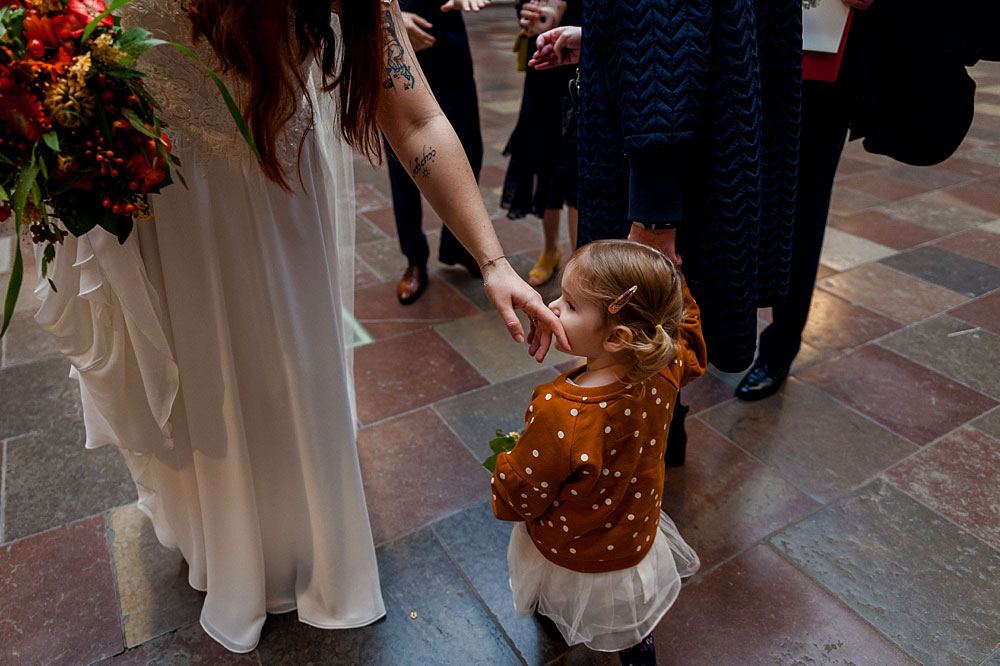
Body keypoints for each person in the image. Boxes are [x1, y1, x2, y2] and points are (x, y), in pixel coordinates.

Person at [33, 0, 565, 653]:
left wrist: (492, 260)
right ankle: (213, 533)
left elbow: (415, 115)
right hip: (159, 193)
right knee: (190, 374)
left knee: (280, 379)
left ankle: (291, 547)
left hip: (271, 184)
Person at [491, 239, 706, 665]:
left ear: (617, 337)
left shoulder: (560, 412)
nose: (552, 308)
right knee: (628, 615)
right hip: (632, 534)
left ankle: (554, 616)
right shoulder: (666, 365)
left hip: (573, 546)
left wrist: (506, 465)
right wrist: (671, 276)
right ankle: (637, 649)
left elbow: (523, 494)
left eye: (569, 305)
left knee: (558, 592)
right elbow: (690, 331)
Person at [388, 0, 489, 304]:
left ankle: (456, 244)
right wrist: (391, 18)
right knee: (403, 160)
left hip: (448, 34)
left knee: (470, 146)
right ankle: (415, 259)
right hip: (397, 34)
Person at [500, 0, 581, 286]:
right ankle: (550, 251)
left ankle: (576, 260)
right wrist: (527, 17)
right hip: (545, 68)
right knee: (544, 159)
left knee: (576, 168)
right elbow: (525, 10)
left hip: (579, 67)